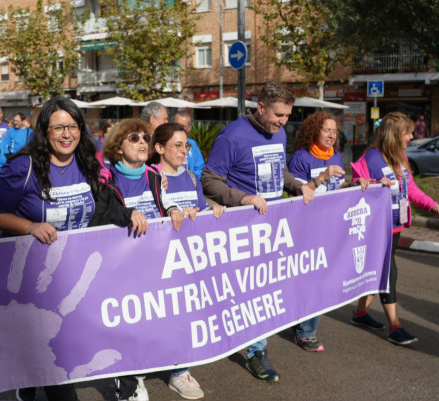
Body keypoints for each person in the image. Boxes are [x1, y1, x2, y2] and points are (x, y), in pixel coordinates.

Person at [0, 97, 147, 401]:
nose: (66, 134)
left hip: (73, 274)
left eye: (72, 126)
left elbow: (100, 207)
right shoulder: (24, 166)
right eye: (58, 127)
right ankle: (33, 380)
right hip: (34, 278)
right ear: (45, 131)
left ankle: (29, 377)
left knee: (66, 345)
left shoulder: (86, 160)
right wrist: (29, 227)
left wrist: (129, 214)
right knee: (54, 363)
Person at [201, 81, 314, 383]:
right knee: (251, 291)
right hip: (243, 229)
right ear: (261, 107)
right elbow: (210, 181)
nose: (283, 122)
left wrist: (296, 185)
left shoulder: (279, 133)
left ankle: (252, 344)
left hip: (273, 229)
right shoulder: (233, 136)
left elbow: (280, 171)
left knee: (263, 290)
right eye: (279, 115)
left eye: (288, 116)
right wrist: (244, 199)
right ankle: (256, 352)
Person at [101, 118, 192, 401]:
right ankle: (129, 385)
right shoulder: (106, 181)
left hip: (155, 263)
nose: (143, 142)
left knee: (152, 321)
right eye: (134, 138)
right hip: (123, 268)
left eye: (145, 138)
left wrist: (176, 209)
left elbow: (164, 202)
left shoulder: (154, 176)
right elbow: (98, 218)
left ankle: (151, 368)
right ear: (118, 148)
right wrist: (126, 215)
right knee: (128, 327)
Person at [148, 121, 226, 400]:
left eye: (187, 145)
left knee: (184, 314)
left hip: (185, 261)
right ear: (159, 148)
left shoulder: (192, 178)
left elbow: (200, 212)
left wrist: (211, 210)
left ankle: (180, 371)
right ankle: (139, 369)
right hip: (153, 262)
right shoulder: (147, 176)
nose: (184, 151)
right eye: (177, 145)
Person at [350, 112, 439, 345]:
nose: (411, 136)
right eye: (407, 132)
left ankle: (360, 313)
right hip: (377, 229)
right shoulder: (370, 158)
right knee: (389, 273)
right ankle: (395, 327)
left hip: (396, 227)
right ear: (395, 134)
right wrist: (376, 185)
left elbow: (411, 190)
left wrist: (434, 205)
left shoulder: (400, 157)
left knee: (379, 271)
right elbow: (355, 190)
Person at [288, 111, 369, 352]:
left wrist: (352, 184)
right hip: (306, 229)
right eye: (326, 130)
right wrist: (322, 176)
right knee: (313, 280)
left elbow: (337, 186)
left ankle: (301, 324)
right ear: (314, 131)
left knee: (321, 279)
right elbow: (294, 194)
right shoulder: (301, 158)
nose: (332, 135)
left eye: (335, 131)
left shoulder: (335, 155)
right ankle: (306, 333)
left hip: (329, 228)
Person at [172, 110, 206, 179]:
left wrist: (190, 179)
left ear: (189, 128)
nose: (178, 128)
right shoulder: (166, 143)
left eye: (182, 126)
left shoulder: (192, 144)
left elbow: (200, 168)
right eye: (176, 124)